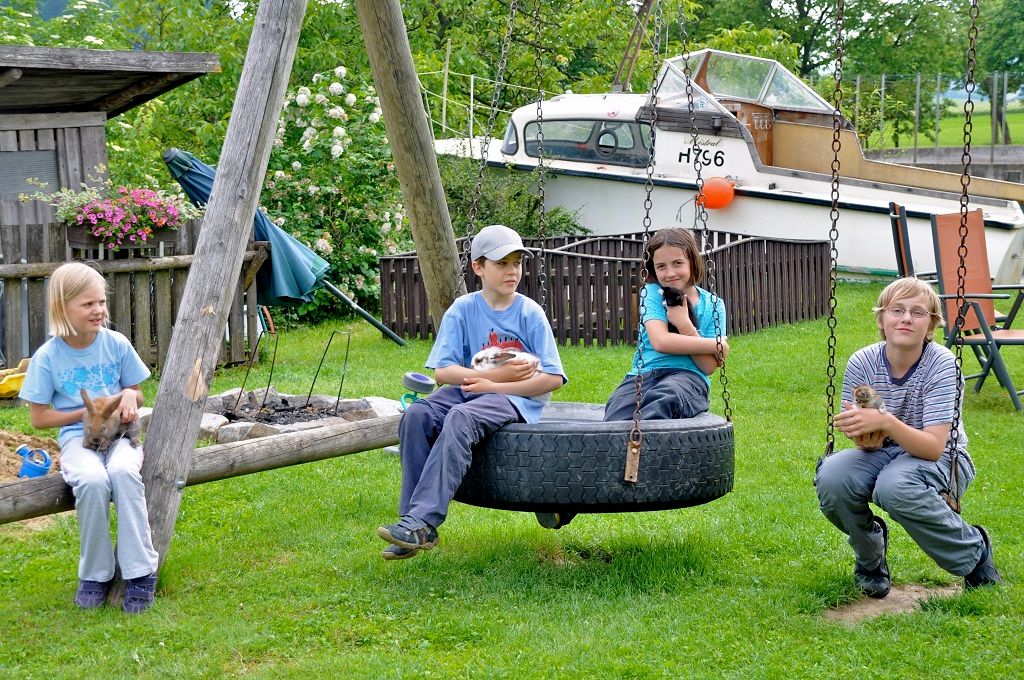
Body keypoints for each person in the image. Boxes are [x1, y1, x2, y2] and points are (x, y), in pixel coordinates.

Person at [378, 224, 566, 559]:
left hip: (515, 398)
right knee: (416, 414)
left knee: (461, 418)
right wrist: (487, 374)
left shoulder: (528, 312)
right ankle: (414, 523)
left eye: (517, 263)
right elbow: (442, 372)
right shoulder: (463, 309)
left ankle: (422, 520)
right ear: (478, 267)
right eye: (502, 263)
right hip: (471, 389)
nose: (512, 271)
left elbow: (552, 377)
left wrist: (497, 384)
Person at [814, 277, 1001, 598]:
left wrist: (883, 420)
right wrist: (864, 430)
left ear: (931, 324)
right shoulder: (863, 362)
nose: (905, 318)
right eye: (896, 310)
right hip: (883, 452)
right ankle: (870, 558)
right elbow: (869, 444)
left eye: (917, 312)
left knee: (894, 487)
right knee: (832, 476)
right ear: (881, 319)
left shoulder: (941, 363)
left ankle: (974, 553)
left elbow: (932, 447)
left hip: (940, 456)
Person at [19, 262, 159, 613]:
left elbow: (136, 392)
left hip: (121, 436)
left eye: (101, 302)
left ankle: (140, 572)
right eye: (88, 304)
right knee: (92, 479)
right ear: (62, 307)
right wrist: (84, 413)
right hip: (77, 438)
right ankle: (95, 574)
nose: (98, 310)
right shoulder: (48, 357)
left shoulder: (115, 343)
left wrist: (129, 397)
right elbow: (39, 418)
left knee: (124, 473)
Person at [604, 227, 728, 422]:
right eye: (661, 266)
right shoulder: (652, 292)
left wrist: (684, 323)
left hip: (688, 379)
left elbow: (708, 366)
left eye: (678, 263)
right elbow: (661, 341)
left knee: (663, 400)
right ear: (653, 268)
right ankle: (621, 452)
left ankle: (650, 451)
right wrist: (716, 344)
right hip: (644, 375)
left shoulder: (713, 304)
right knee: (618, 410)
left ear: (692, 262)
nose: (670, 273)